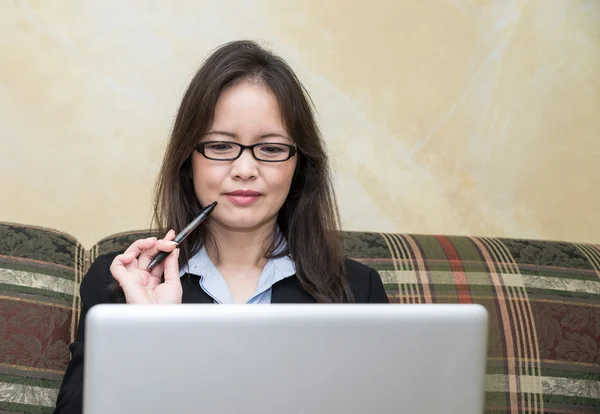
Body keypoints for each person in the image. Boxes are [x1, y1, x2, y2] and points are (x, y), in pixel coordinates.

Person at [52, 39, 389, 414]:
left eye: (272, 149)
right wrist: (146, 336)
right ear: (188, 159)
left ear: (300, 165)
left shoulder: (358, 290)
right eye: (221, 146)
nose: (245, 169)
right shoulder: (122, 284)